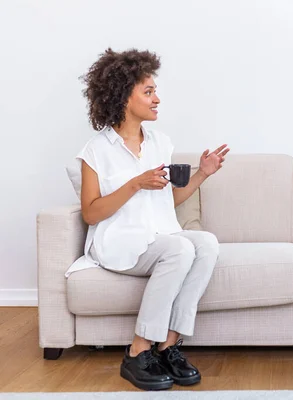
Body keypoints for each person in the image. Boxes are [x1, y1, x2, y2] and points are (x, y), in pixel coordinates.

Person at [66, 48, 229, 391]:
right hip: (117, 240)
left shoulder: (160, 143)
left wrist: (203, 173)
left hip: (158, 235)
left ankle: (169, 345)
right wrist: (135, 183)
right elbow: (92, 212)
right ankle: (138, 350)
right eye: (148, 91)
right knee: (179, 250)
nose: (157, 99)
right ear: (125, 96)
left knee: (205, 243)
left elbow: (168, 200)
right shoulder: (96, 150)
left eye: (155, 91)